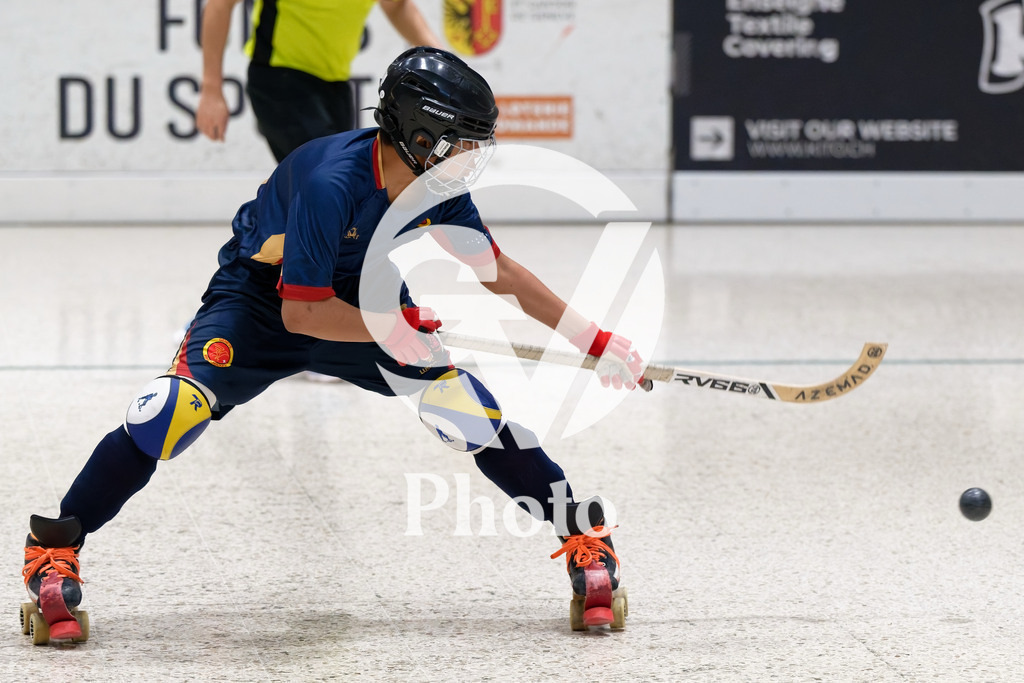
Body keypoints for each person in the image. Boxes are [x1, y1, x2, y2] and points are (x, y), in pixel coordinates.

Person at [19, 48, 643, 644]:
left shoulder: (437, 186)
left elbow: (498, 272)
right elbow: (303, 312)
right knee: (168, 413)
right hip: (261, 302)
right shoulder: (331, 183)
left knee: (466, 411)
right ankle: (55, 551)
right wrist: (395, 329)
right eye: (466, 140)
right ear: (422, 136)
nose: (476, 154)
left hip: (358, 297)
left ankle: (584, 539)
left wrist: (595, 340)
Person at [197, 0, 442, 162]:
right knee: (333, 179)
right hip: (280, 80)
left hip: (336, 86)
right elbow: (220, 5)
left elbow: (396, 6)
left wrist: (440, 58)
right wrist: (211, 90)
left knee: (329, 190)